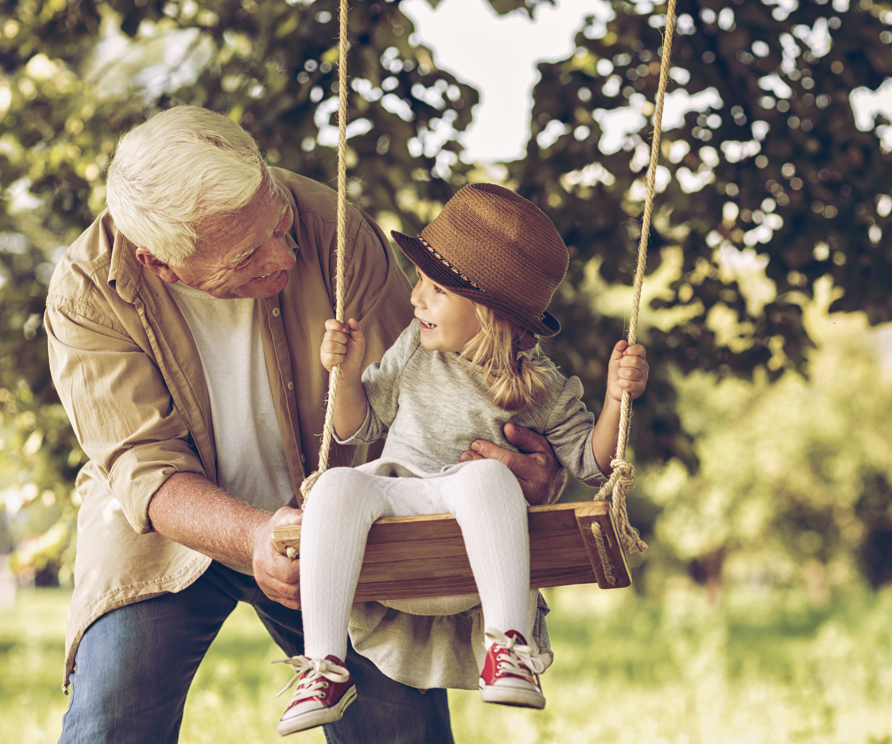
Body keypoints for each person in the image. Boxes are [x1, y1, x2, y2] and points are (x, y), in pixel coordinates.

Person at [44, 106, 563, 744]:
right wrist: (255, 534)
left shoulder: (333, 228)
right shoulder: (85, 292)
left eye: (280, 224)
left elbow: (431, 388)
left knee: (401, 735)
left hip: (341, 509)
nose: (284, 253)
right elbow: (144, 470)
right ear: (161, 264)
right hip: (165, 528)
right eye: (246, 254)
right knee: (110, 723)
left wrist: (510, 465)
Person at [275, 183, 649, 736]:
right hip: (399, 505)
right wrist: (347, 374)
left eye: (435, 289)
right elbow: (356, 429)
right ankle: (325, 666)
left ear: (489, 310)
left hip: (470, 544)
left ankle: (508, 648)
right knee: (333, 486)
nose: (415, 299)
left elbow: (592, 464)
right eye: (420, 284)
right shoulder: (414, 349)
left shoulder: (541, 385)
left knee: (485, 476)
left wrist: (618, 401)